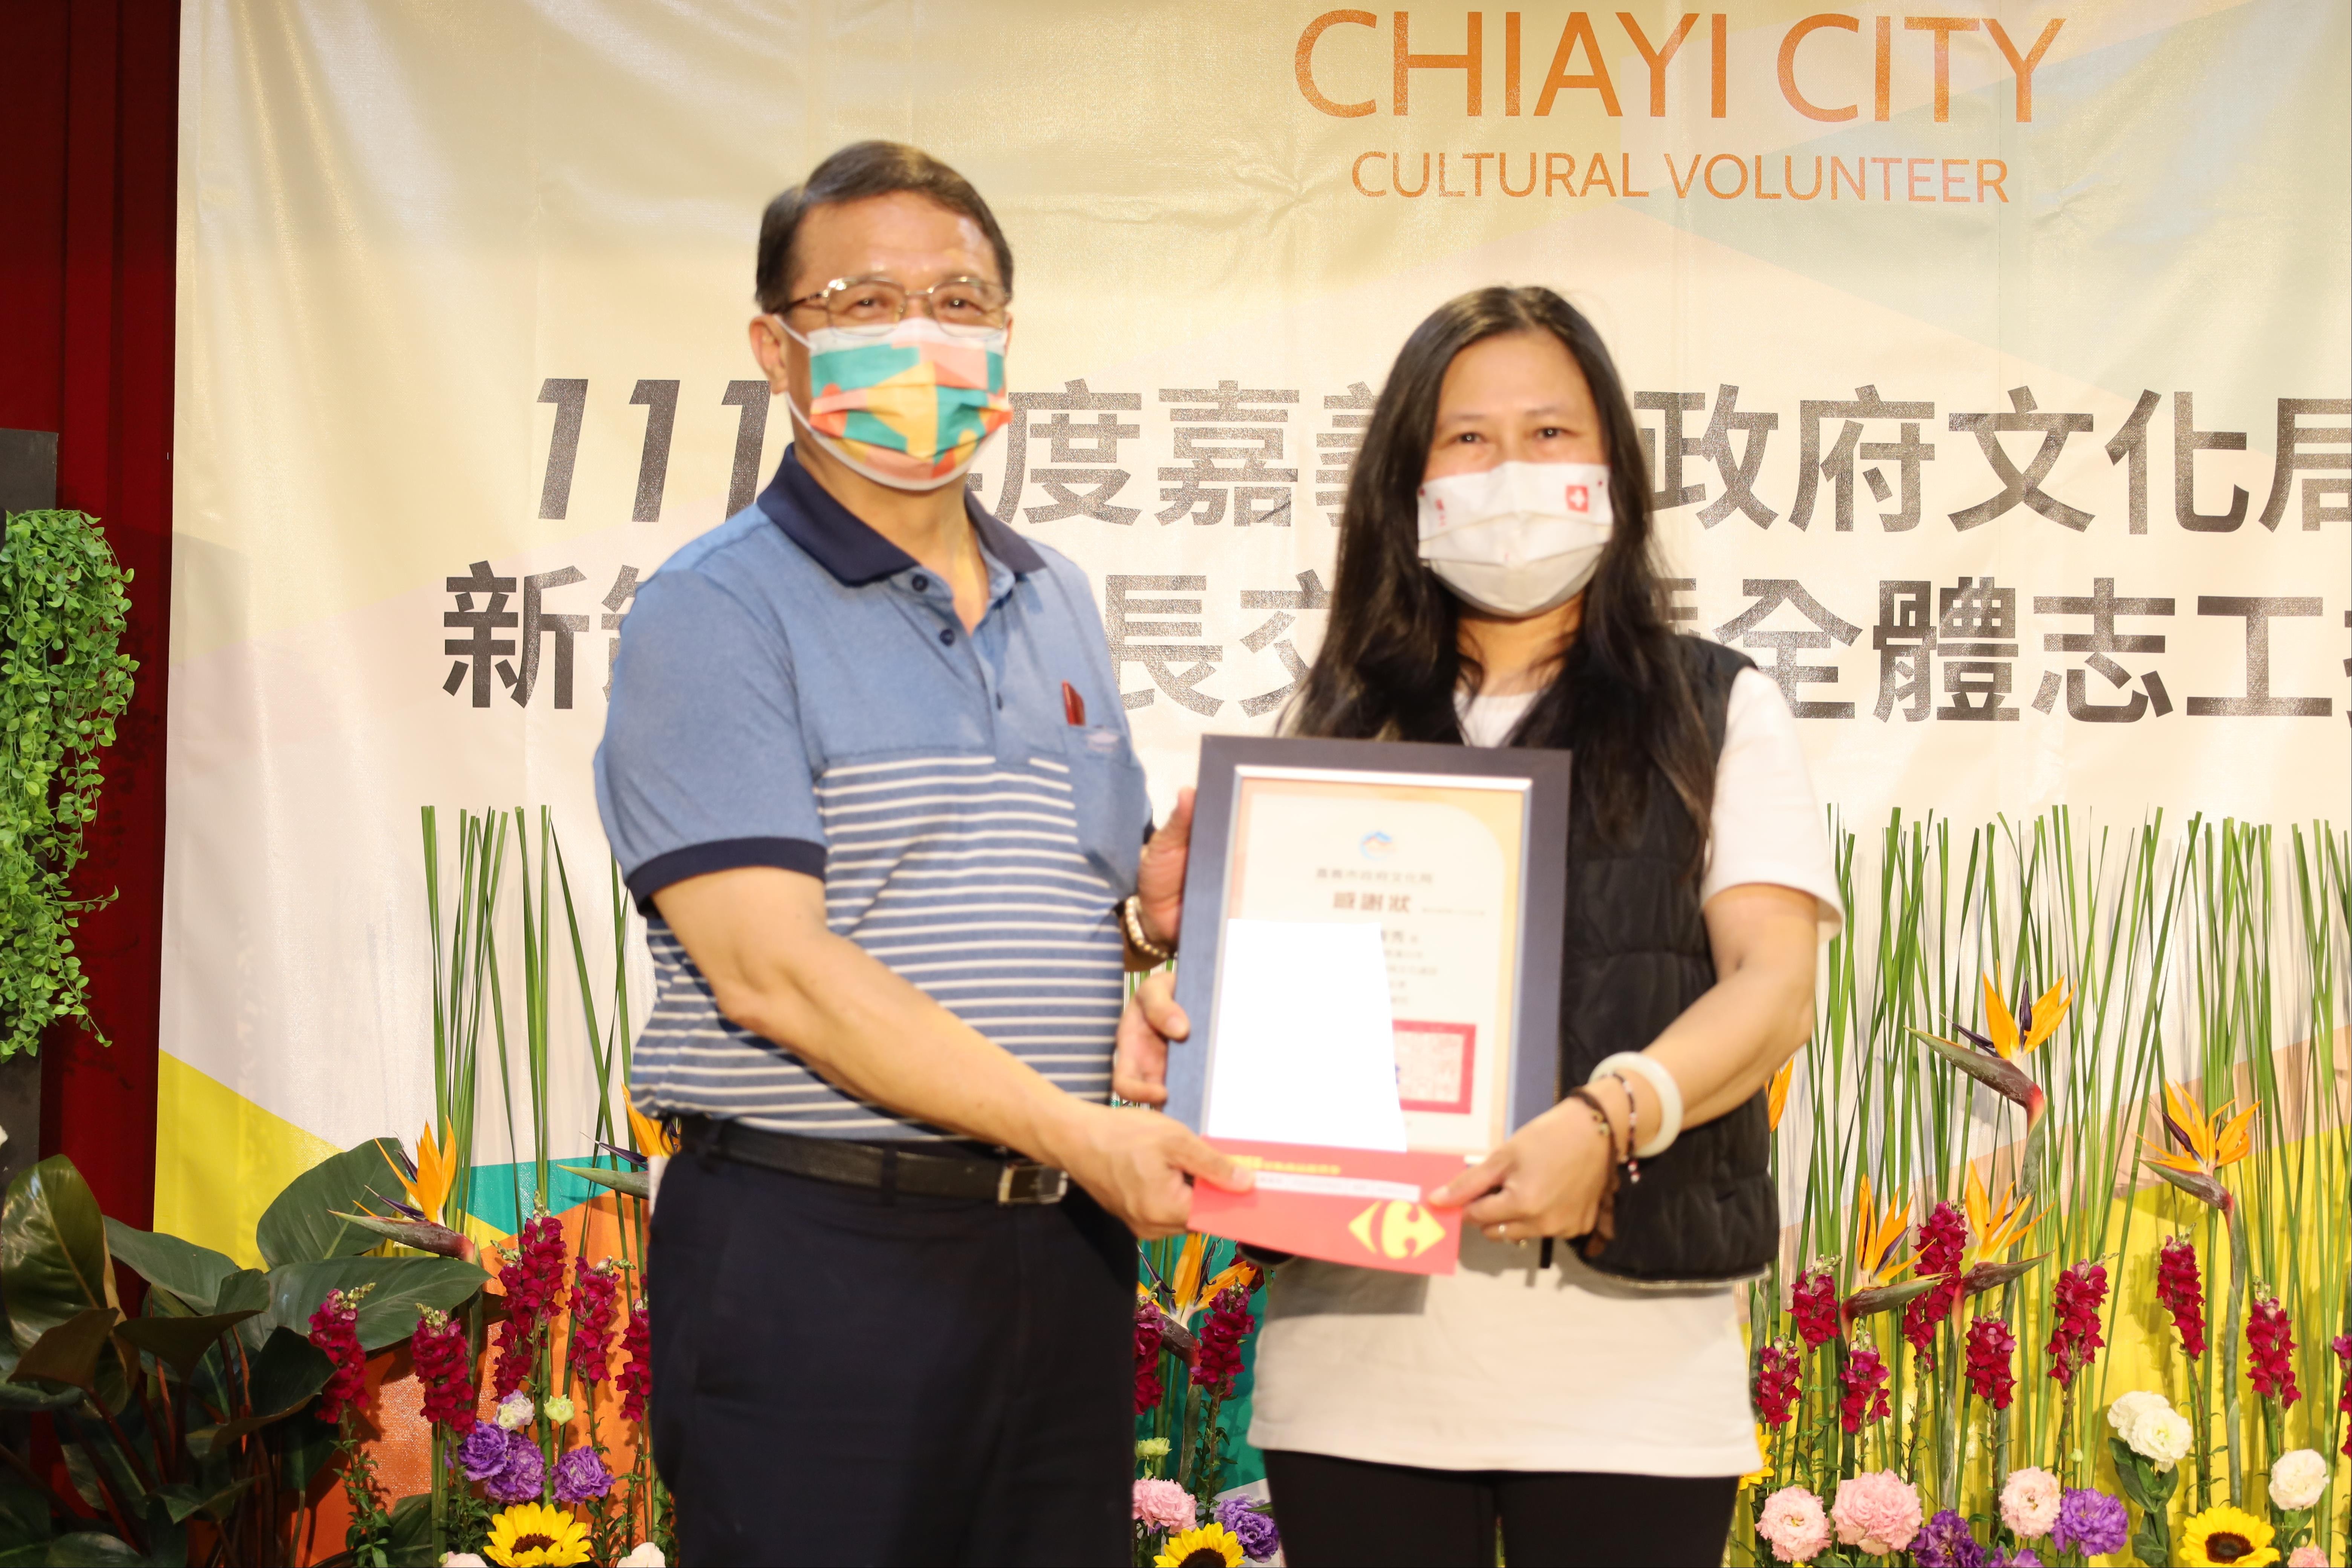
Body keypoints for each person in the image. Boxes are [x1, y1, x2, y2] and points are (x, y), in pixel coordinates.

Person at [593, 140, 1247, 1568]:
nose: (921, 334)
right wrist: (1084, 1135)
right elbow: (774, 973)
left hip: (1058, 1260)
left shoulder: (1054, 595)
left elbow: (1048, 908)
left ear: (1005, 334)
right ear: (776, 346)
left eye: (959, 300)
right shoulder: (715, 612)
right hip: (819, 1254)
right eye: (864, 302)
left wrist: (1146, 923)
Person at [1119, 285, 1840, 1567]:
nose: (1511, 470)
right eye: (1467, 439)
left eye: (1551, 433)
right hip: (1357, 1371)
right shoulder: (1328, 729)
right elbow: (1275, 1041)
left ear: (1614, 466)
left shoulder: (1714, 707)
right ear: (1407, 482)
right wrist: (1185, 947)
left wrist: (1609, 1118)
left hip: (1632, 1383)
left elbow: (1775, 986)